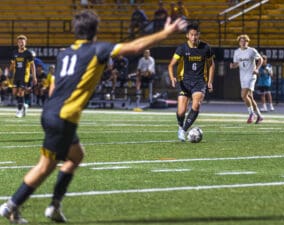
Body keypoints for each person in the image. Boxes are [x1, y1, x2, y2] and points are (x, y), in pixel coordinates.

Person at [0, 9, 187, 224]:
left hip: (51, 111)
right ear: (95, 30)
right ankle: (10, 207)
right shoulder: (98, 49)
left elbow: (53, 88)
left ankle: (54, 206)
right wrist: (167, 32)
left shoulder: (65, 53)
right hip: (64, 116)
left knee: (76, 155)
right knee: (45, 167)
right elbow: (135, 46)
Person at [168, 23, 215, 141]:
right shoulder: (182, 48)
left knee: (196, 104)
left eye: (196, 35)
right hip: (184, 81)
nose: (194, 37)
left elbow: (211, 65)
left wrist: (209, 81)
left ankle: (183, 130)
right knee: (181, 111)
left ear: (199, 35)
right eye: (191, 35)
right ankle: (180, 126)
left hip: (199, 81)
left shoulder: (206, 48)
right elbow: (171, 65)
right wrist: (172, 77)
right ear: (187, 36)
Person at [230, 34, 263, 124]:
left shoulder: (252, 50)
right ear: (239, 42)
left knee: (243, 95)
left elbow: (260, 59)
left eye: (245, 41)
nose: (243, 42)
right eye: (241, 41)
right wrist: (233, 65)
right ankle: (260, 116)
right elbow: (237, 63)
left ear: (248, 42)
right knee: (250, 97)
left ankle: (251, 114)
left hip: (251, 75)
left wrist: (257, 69)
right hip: (242, 75)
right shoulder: (237, 52)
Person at [10, 35, 37, 117]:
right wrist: (11, 66)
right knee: (14, 93)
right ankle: (24, 105)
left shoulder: (28, 53)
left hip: (24, 75)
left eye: (23, 42)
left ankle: (19, 110)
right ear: (17, 43)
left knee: (21, 92)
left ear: (25, 43)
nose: (21, 44)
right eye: (19, 42)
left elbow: (32, 66)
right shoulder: (14, 53)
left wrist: (34, 77)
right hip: (16, 75)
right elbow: (12, 65)